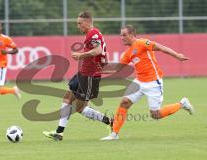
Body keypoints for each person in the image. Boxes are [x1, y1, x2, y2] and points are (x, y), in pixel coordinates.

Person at [101, 25, 194, 140]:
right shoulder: (128, 53)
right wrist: (101, 70)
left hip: (153, 82)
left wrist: (176, 55)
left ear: (132, 35)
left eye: (124, 35)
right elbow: (118, 69)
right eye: (121, 35)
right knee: (124, 102)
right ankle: (114, 134)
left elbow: (160, 47)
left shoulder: (142, 43)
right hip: (139, 82)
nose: (122, 37)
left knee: (155, 115)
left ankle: (182, 104)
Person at [43, 11, 112, 141]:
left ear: (87, 22)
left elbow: (98, 50)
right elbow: (101, 54)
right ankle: (59, 133)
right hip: (83, 73)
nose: (78, 26)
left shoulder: (93, 33)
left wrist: (80, 55)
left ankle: (109, 121)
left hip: (89, 76)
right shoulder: (93, 33)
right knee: (67, 98)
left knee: (80, 108)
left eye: (79, 23)